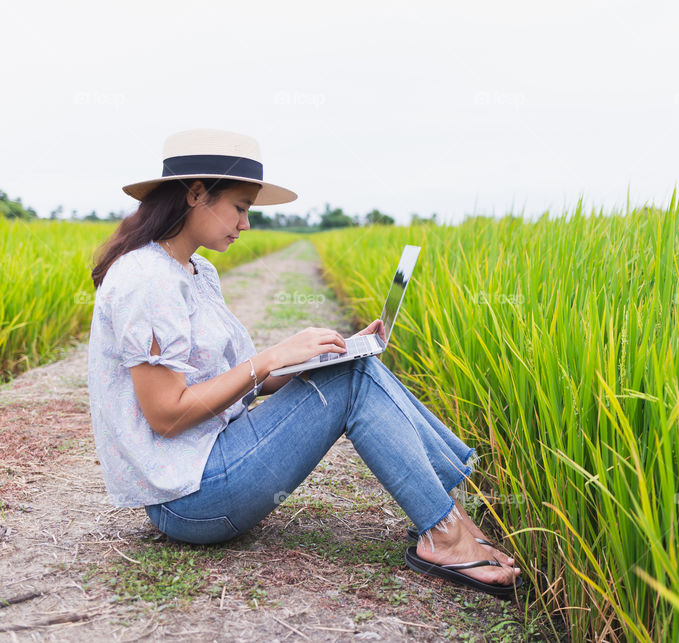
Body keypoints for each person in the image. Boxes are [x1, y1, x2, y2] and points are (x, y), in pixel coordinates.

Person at [87, 129, 522, 598]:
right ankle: (445, 531)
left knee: (354, 367)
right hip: (190, 497)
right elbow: (167, 415)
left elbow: (244, 383)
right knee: (353, 381)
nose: (246, 224)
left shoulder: (196, 270)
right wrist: (270, 356)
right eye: (240, 206)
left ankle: (451, 520)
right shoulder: (146, 278)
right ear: (195, 194)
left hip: (217, 457)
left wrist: (315, 357)